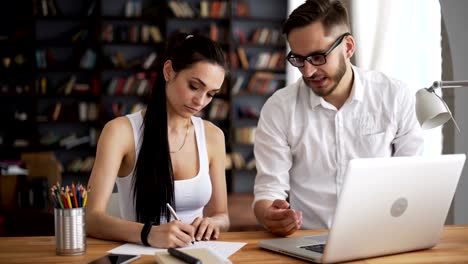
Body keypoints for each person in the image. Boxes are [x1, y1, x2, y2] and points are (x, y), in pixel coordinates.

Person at [253, 0, 424, 236]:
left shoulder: (394, 96)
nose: (308, 71)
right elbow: (268, 190)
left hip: (382, 236)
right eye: (299, 59)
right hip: (309, 239)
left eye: (318, 57)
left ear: (349, 47)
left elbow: (413, 177)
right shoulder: (279, 108)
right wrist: (270, 215)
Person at [86, 33, 230, 248]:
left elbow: (222, 216)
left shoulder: (213, 136)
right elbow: (91, 219)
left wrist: (213, 223)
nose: (200, 102)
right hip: (141, 254)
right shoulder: (120, 132)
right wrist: (148, 234)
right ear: (168, 71)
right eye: (194, 86)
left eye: (211, 94)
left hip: (198, 255)